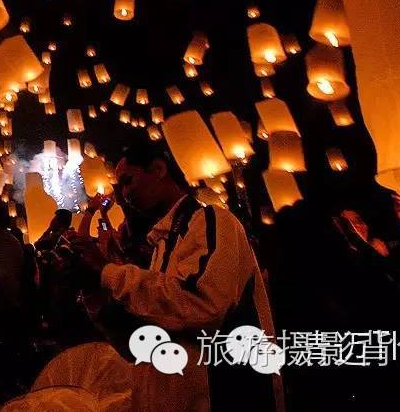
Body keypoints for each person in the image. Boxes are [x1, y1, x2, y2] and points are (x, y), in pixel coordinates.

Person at [67, 141, 281, 412]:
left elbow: (201, 303)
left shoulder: (213, 220)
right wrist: (94, 294)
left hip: (225, 397)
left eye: (128, 181)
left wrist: (106, 270)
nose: (123, 193)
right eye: (119, 186)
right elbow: (145, 345)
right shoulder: (161, 248)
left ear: (158, 169)